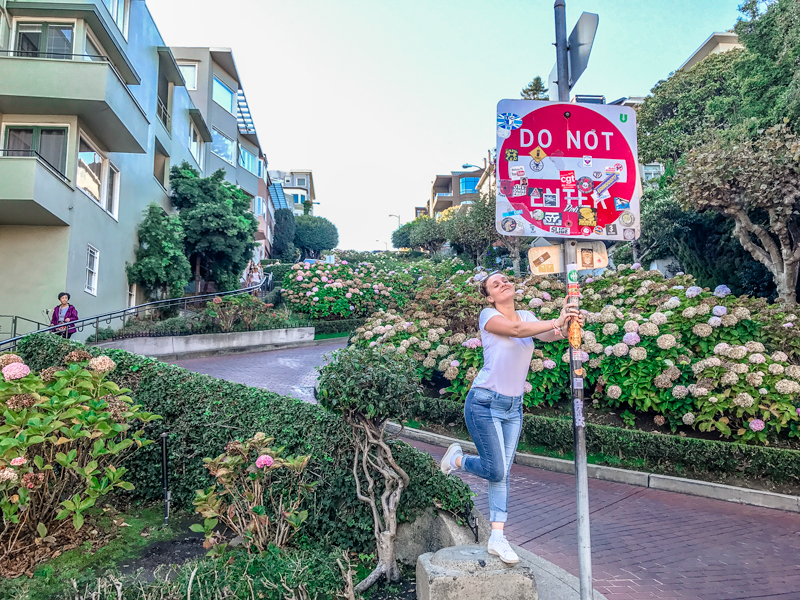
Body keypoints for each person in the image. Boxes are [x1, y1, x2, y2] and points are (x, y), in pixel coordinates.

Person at [440, 271, 584, 565]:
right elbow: (517, 330)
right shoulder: (488, 316)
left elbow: (547, 333)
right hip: (484, 402)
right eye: (496, 284)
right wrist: (556, 321)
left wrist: (567, 323)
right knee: (495, 470)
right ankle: (456, 460)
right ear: (489, 296)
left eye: (506, 279)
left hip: (513, 407)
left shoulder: (527, 313)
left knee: (502, 473)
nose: (504, 283)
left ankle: (497, 537)